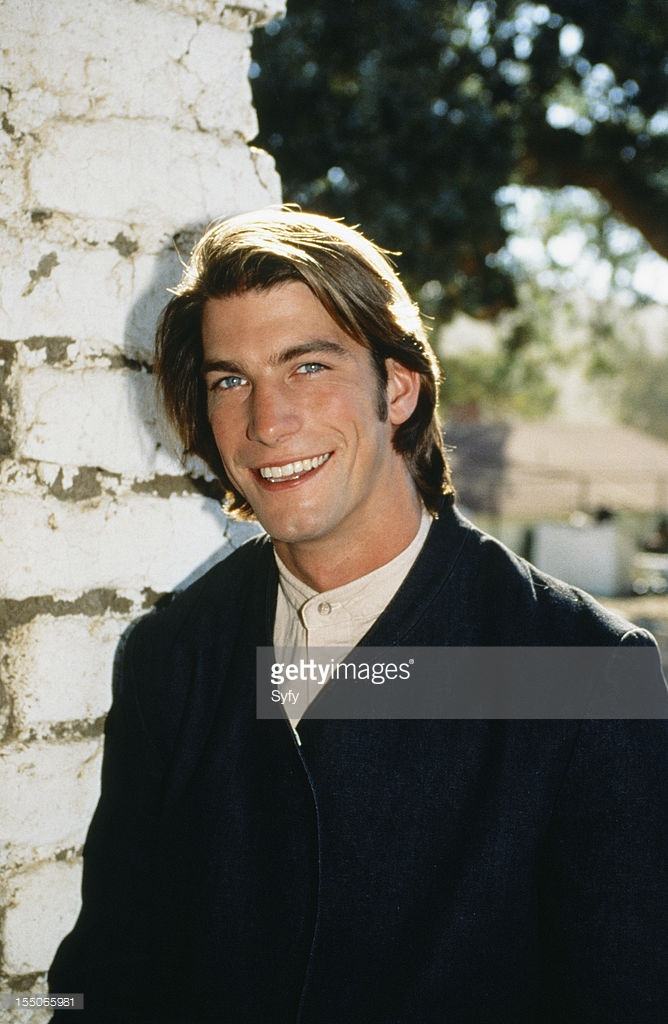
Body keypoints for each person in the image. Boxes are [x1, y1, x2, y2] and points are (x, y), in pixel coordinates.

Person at [49, 208, 667, 1023]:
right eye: (230, 380)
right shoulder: (172, 655)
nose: (268, 422)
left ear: (398, 388)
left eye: (307, 366)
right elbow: (99, 977)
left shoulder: (585, 672)